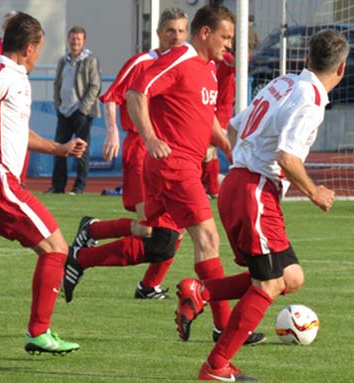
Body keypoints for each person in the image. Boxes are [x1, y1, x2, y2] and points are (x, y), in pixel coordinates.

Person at [62, 5, 264, 346]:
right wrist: (151, 137)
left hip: (183, 167)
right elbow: (134, 93)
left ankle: (82, 257)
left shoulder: (209, 69)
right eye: (225, 37)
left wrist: (232, 148)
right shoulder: (177, 60)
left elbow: (206, 121)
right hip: (173, 166)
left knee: (158, 243)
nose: (228, 45)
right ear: (205, 33)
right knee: (207, 238)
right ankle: (224, 328)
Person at [175, 28, 348, 381]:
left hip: (241, 185)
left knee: (290, 277)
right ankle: (216, 366)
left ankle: (202, 291)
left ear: (305, 59)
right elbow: (286, 157)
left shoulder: (283, 82)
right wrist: (315, 192)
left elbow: (235, 127)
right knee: (267, 285)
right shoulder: (311, 101)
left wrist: (245, 162)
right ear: (341, 69)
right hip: (255, 191)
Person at [0, 12, 87, 355]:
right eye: (39, 48)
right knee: (56, 248)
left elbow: (16, 131)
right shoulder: (4, 74)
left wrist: (59, 149)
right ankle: (39, 332)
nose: (39, 55)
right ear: (29, 48)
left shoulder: (8, 77)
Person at [82, 7, 188, 300]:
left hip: (168, 156)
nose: (176, 37)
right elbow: (113, 95)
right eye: (170, 31)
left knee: (175, 228)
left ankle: (148, 285)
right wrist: (113, 131)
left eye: (181, 31)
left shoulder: (185, 64)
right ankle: (89, 240)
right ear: (158, 33)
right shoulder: (143, 61)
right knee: (151, 231)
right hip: (141, 151)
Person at [46, 26, 101, 195]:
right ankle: (58, 186)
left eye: (78, 39)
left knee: (80, 151)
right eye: (72, 38)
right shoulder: (63, 60)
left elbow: (95, 85)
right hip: (64, 111)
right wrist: (58, 104)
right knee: (59, 149)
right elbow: (57, 84)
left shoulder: (90, 60)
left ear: (83, 41)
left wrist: (83, 108)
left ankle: (79, 187)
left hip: (81, 112)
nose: (75, 42)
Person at [201, 50, 235, 199]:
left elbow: (237, 62)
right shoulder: (207, 61)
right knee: (208, 151)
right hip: (209, 108)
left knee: (208, 149)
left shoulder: (225, 58)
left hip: (221, 112)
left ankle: (211, 187)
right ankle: (211, 186)